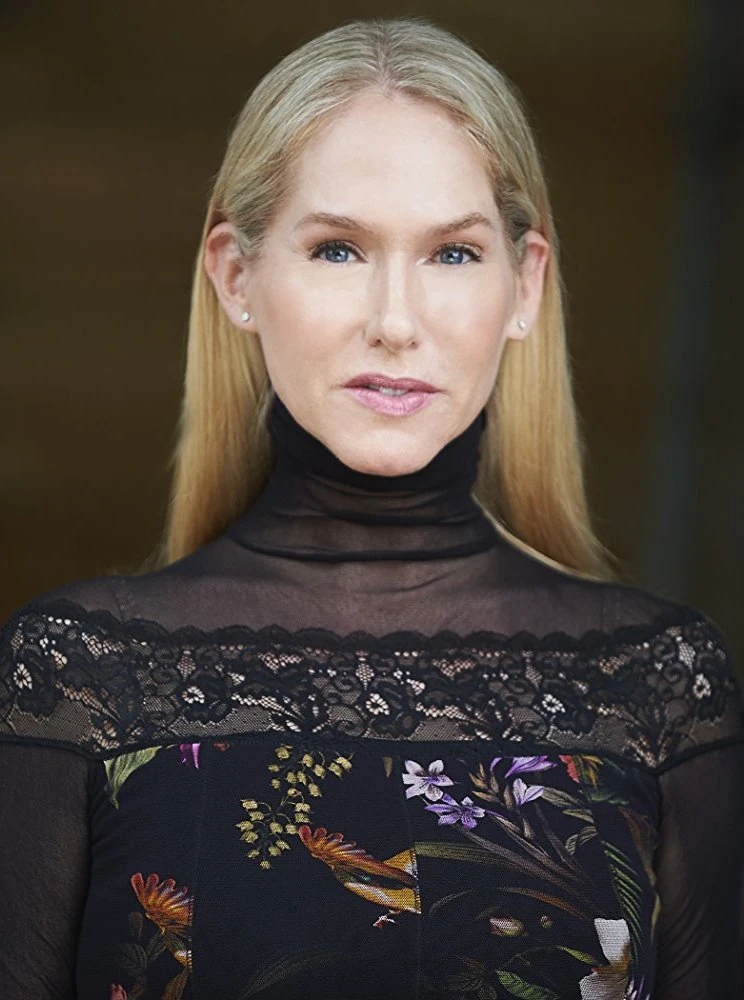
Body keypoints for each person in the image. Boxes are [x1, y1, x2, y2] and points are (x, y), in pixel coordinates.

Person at [1, 15, 742, 1000]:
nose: (395, 322)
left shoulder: (657, 686)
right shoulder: (78, 678)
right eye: (339, 249)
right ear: (236, 276)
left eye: (454, 254)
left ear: (525, 285)